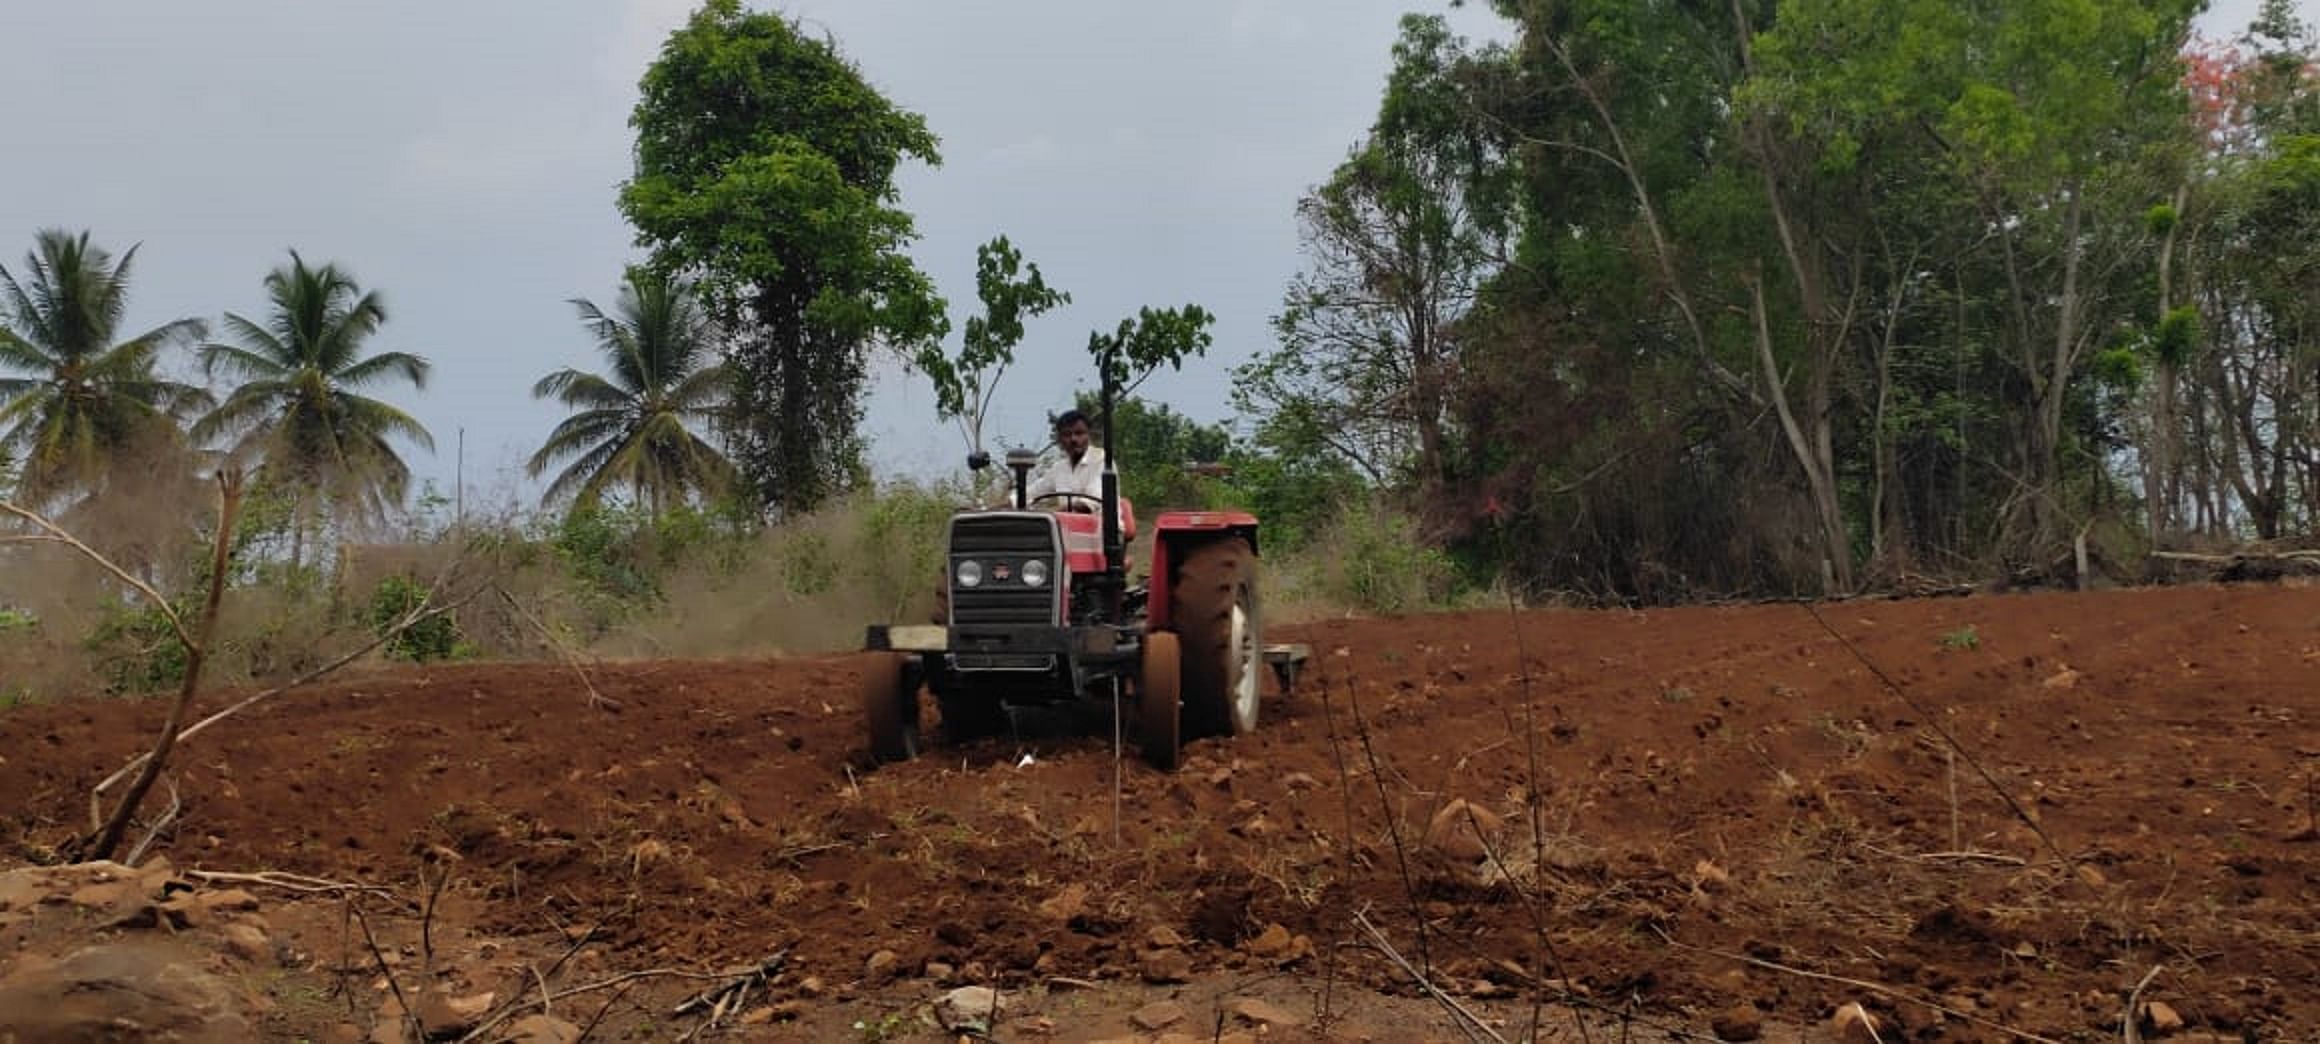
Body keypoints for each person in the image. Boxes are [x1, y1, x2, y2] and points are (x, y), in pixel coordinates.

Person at [1027, 410, 1105, 511]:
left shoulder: (1101, 460)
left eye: (1079, 433)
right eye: (1067, 434)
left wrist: (1051, 512)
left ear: (1089, 435)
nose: (1073, 439)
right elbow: (1033, 492)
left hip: (1101, 525)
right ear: (1060, 439)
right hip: (1067, 525)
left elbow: (1090, 503)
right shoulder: (1059, 468)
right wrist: (1009, 503)